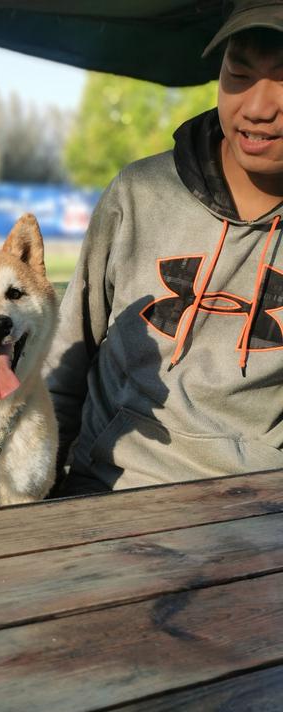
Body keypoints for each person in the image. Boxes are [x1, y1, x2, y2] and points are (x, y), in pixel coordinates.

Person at [47, 0, 283, 497]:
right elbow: (65, 359)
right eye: (238, 72)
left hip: (259, 511)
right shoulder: (140, 193)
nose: (258, 107)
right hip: (108, 490)